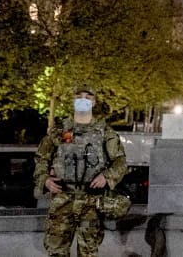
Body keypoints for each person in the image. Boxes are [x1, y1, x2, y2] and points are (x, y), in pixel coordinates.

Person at [34, 85, 128, 257]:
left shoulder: (105, 132)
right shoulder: (60, 130)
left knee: (88, 252)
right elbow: (42, 158)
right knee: (56, 250)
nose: (83, 100)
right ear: (73, 100)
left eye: (88, 96)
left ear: (94, 101)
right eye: (79, 96)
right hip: (62, 198)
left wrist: (107, 176)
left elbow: (120, 162)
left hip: (91, 200)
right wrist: (45, 179)